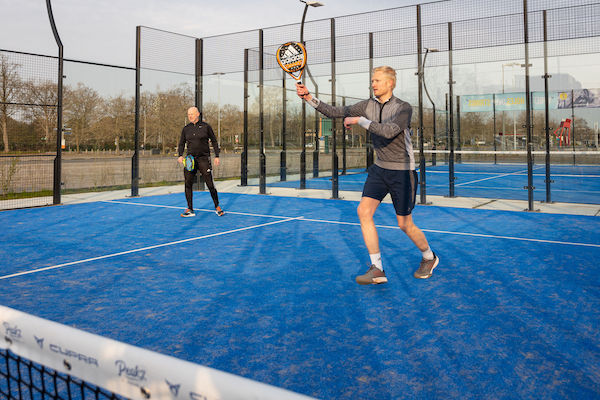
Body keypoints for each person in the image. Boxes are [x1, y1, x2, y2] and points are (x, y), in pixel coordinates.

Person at [296, 66, 439, 283]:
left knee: (404, 224)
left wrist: (359, 121)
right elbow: (335, 112)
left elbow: (390, 131)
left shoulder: (403, 108)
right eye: (372, 80)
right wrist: (309, 98)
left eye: (378, 81)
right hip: (380, 169)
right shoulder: (366, 105)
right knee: (363, 211)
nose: (373, 84)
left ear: (390, 83)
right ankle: (377, 268)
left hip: (402, 171)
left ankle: (429, 257)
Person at [177, 107, 224, 217]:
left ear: (197, 114)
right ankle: (190, 209)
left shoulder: (206, 127)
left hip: (203, 159)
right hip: (190, 160)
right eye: (188, 114)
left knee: (210, 184)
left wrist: (217, 155)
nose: (190, 116)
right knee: (188, 184)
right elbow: (181, 143)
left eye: (192, 114)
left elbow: (214, 141)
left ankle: (217, 206)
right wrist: (180, 155)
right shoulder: (186, 129)